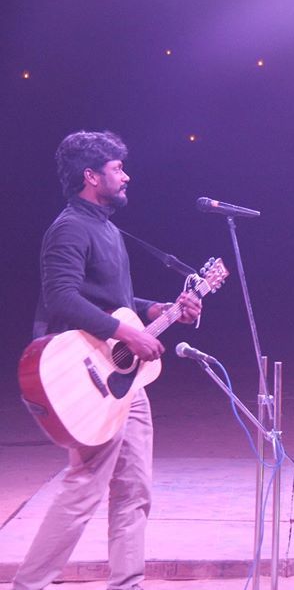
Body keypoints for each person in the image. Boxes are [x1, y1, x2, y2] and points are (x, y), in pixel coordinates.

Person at [13, 131, 202, 590]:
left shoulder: (109, 230)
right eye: (117, 168)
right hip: (90, 377)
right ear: (91, 176)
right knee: (85, 487)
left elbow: (113, 302)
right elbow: (60, 298)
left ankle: (127, 582)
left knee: (135, 490)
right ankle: (29, 585)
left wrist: (155, 311)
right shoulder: (69, 228)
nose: (126, 176)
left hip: (125, 381)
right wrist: (126, 334)